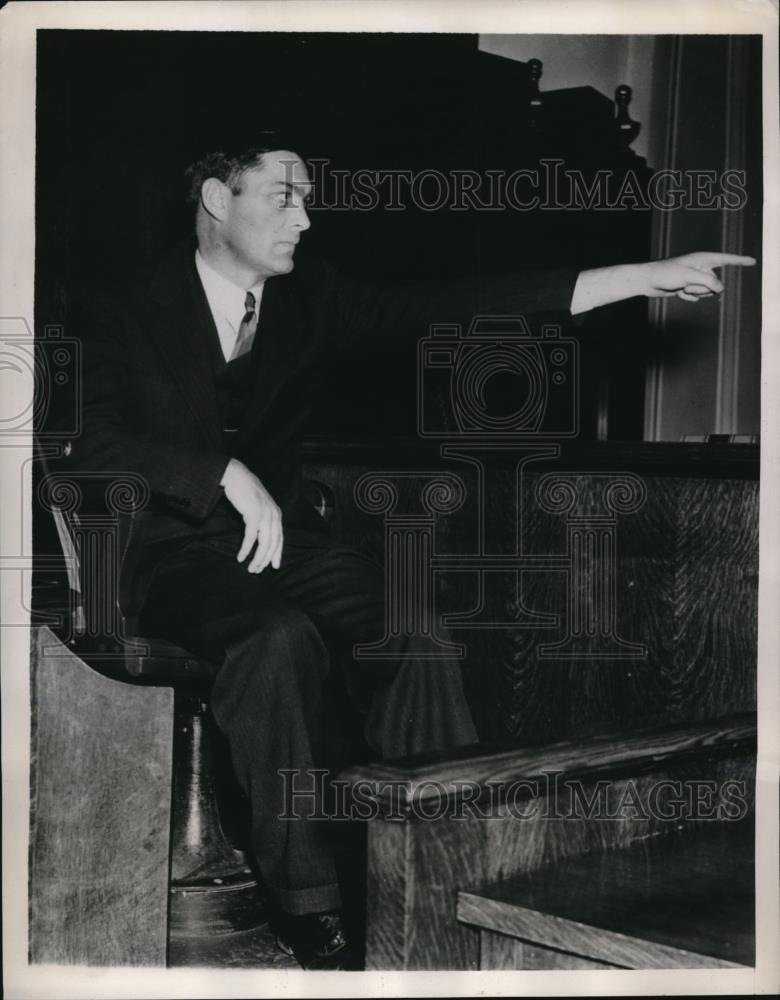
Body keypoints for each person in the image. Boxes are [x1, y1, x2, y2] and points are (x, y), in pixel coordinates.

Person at [66, 134, 755, 968]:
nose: (306, 219)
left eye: (309, 198)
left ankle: (447, 860)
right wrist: (217, 473)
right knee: (274, 641)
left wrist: (634, 279)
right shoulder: (117, 302)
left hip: (283, 539)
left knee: (412, 633)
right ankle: (308, 902)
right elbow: (91, 443)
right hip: (168, 555)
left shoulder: (312, 298)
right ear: (217, 200)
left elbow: (452, 303)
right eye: (285, 197)